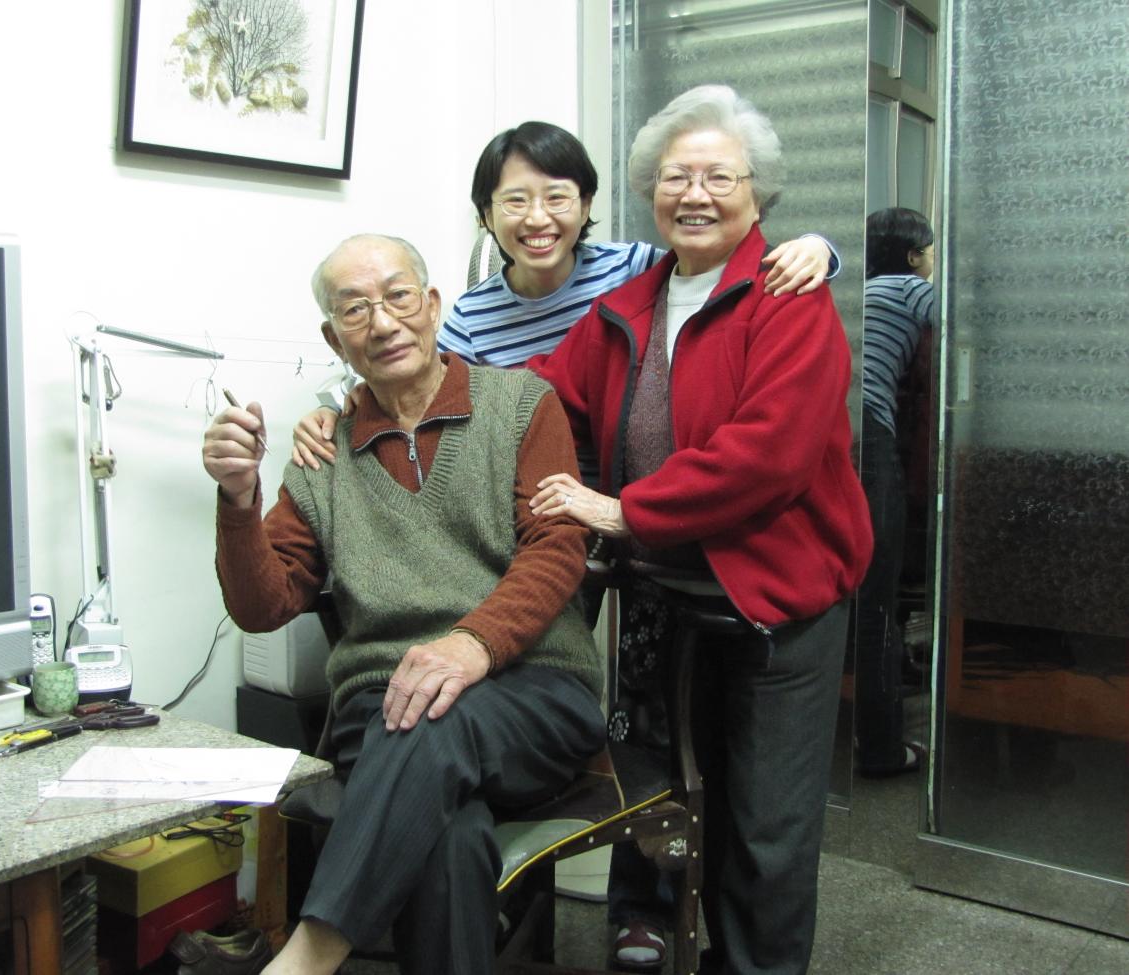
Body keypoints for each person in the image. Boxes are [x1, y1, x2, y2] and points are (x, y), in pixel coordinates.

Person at [524, 85, 873, 975]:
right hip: (660, 591)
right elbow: (537, 394)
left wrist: (623, 509)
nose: (697, 193)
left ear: (758, 193)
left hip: (773, 597)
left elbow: (769, 455)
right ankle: (656, 940)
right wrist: (376, 393)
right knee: (659, 793)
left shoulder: (788, 296)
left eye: (720, 176)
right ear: (650, 192)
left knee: (766, 821)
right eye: (677, 176)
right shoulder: (632, 299)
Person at [202, 233, 606, 975]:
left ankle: (306, 958)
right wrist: (237, 499)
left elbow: (558, 546)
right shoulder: (324, 455)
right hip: (384, 708)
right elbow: (264, 605)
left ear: (430, 305)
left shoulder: (521, 404)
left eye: (395, 297)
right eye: (354, 309)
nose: (381, 322)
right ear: (334, 337)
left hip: (533, 692)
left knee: (433, 708)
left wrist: (472, 644)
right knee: (448, 836)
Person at [289, 120, 839, 472]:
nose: (538, 219)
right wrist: (334, 412)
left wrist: (818, 248)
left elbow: (718, 270)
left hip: (622, 498)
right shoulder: (470, 317)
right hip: (526, 495)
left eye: (557, 197)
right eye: (514, 202)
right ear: (485, 215)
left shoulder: (635, 273)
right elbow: (411, 385)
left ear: (585, 203)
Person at [854, 206, 936, 778]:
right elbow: (966, 327)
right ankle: (882, 748)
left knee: (856, 595)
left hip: (832, 432)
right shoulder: (910, 289)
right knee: (878, 599)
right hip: (871, 436)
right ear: (913, 256)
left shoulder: (856, 291)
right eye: (929, 251)